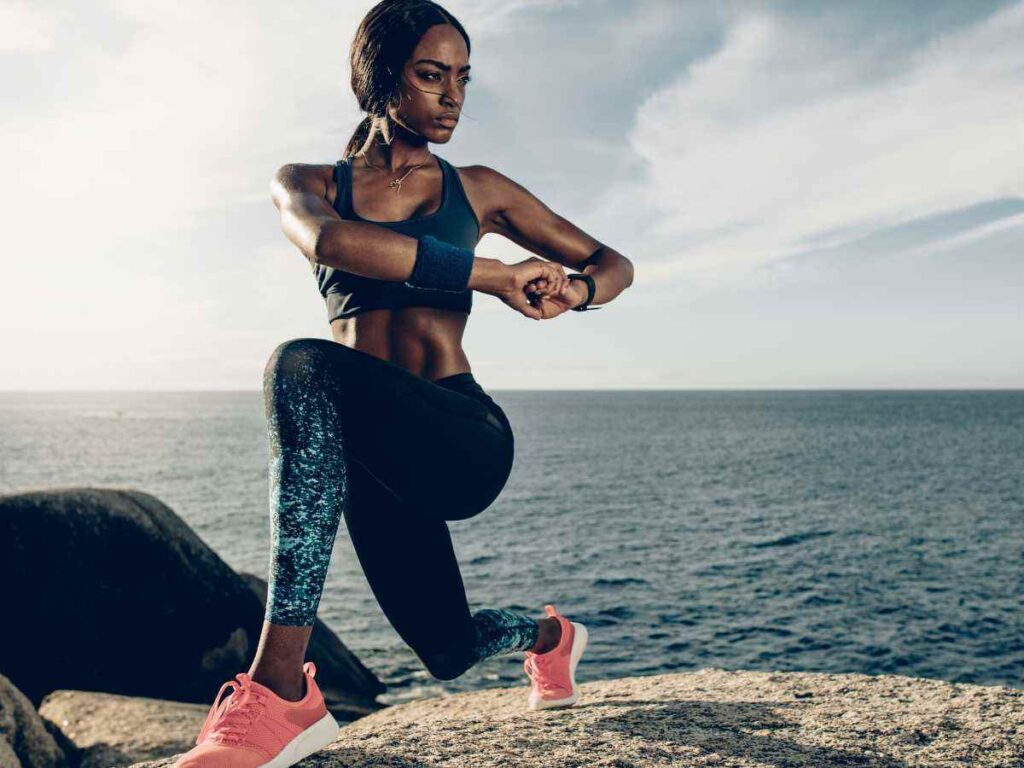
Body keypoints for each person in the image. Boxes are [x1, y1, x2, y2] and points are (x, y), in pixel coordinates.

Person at [174, 1, 634, 765]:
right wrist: (491, 275)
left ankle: (280, 690)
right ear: (381, 78)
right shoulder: (307, 183)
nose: (453, 96)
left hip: (461, 436)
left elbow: (612, 264)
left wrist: (576, 293)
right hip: (371, 461)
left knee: (300, 363)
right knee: (448, 651)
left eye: (463, 78)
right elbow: (334, 242)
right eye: (431, 75)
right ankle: (552, 637)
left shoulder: (480, 189)